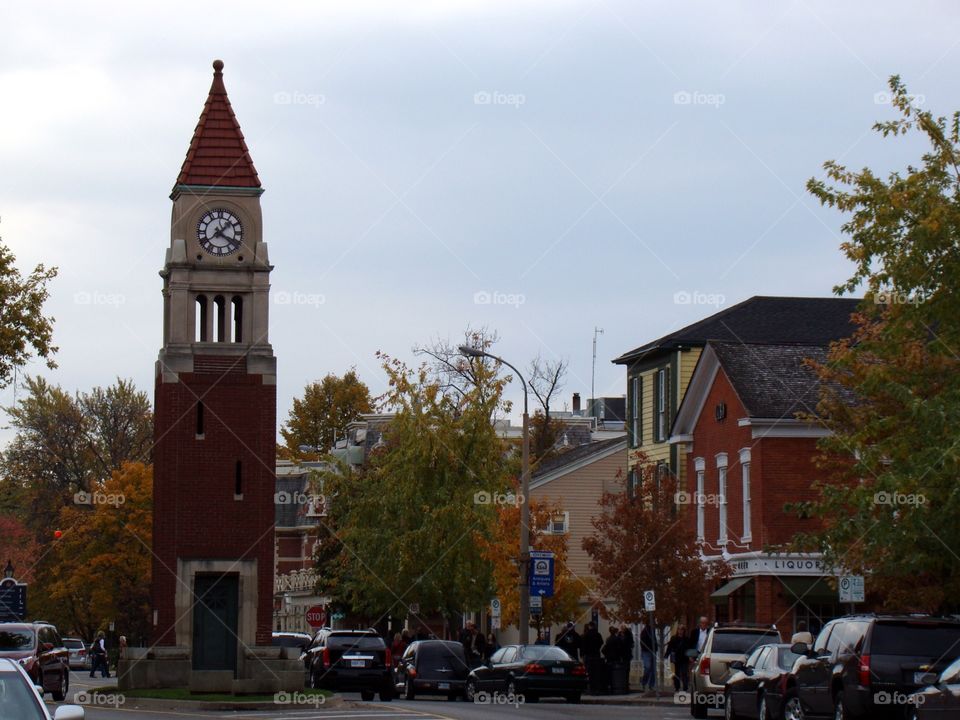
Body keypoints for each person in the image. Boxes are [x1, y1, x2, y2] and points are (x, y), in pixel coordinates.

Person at [665, 624, 691, 691]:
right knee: (677, 674)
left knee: (684, 673)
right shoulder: (674, 638)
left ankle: (685, 687)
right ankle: (677, 687)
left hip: (684, 659)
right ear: (677, 630)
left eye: (682, 629)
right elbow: (669, 647)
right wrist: (666, 655)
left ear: (684, 630)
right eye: (679, 629)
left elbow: (689, 648)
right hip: (677, 659)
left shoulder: (686, 639)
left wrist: (691, 657)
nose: (680, 631)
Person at [581, 622, 605, 694]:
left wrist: (583, 654)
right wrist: (597, 648)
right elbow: (601, 642)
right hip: (596, 655)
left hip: (588, 656)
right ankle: (596, 689)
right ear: (594, 626)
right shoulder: (598, 634)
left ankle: (590, 689)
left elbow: (583, 645)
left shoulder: (586, 635)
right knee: (596, 673)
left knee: (589, 673)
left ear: (589, 626)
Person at [638, 618, 656, 692]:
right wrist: (647, 648)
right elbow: (642, 643)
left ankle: (651, 685)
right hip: (646, 652)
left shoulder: (653, 630)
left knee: (653, 670)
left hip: (653, 651)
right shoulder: (644, 631)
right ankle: (643, 682)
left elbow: (654, 640)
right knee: (648, 667)